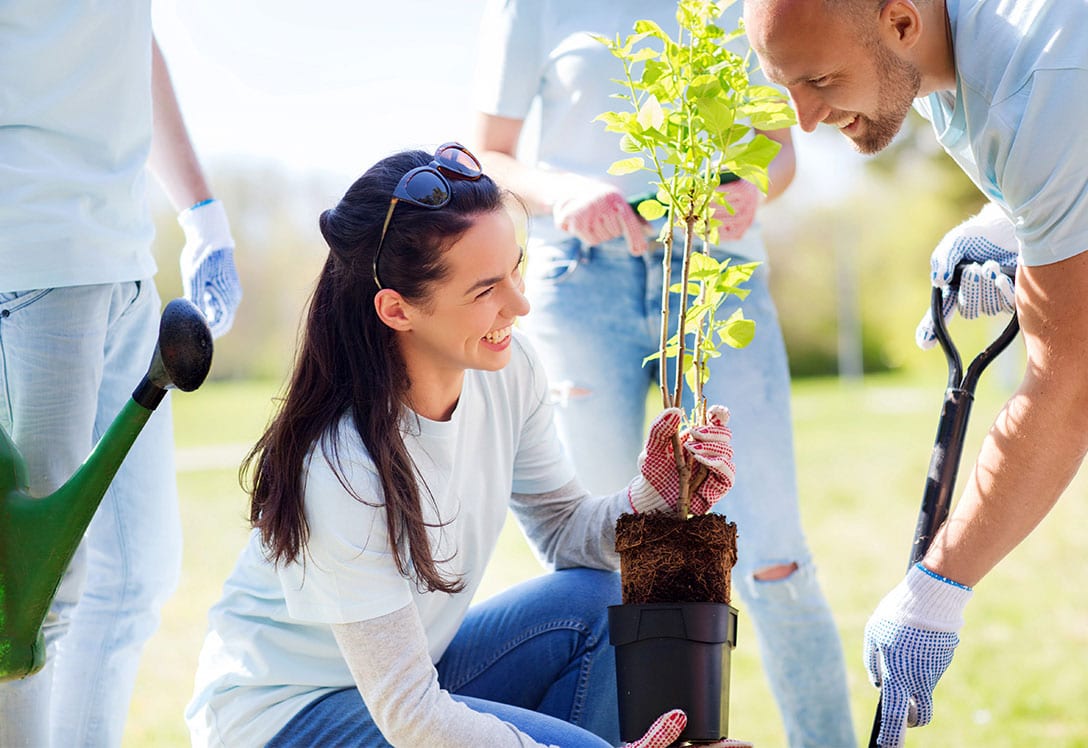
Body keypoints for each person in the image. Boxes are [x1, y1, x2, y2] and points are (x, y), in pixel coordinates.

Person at [184, 144, 740, 748]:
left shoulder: (509, 370)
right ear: (397, 309)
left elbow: (563, 532)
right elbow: (413, 718)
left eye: (515, 268)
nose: (521, 304)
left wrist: (655, 493)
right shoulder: (342, 465)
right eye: (485, 290)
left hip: (408, 683)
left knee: (595, 603)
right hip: (285, 717)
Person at [470, 2, 856, 746]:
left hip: (717, 277)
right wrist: (563, 194)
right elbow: (489, 154)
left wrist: (747, 185)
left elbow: (779, 147)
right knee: (600, 566)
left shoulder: (751, 8)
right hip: (582, 282)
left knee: (775, 557)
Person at [740, 0, 1088, 745]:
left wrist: (937, 590)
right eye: (787, 86)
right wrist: (1010, 228)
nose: (803, 120)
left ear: (899, 24)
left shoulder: (1043, 79)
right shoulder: (931, 69)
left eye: (822, 80)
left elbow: (1071, 386)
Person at [0, 3, 242, 745]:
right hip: (31, 251)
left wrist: (201, 212)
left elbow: (129, 39)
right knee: (29, 601)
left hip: (123, 259)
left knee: (134, 577)